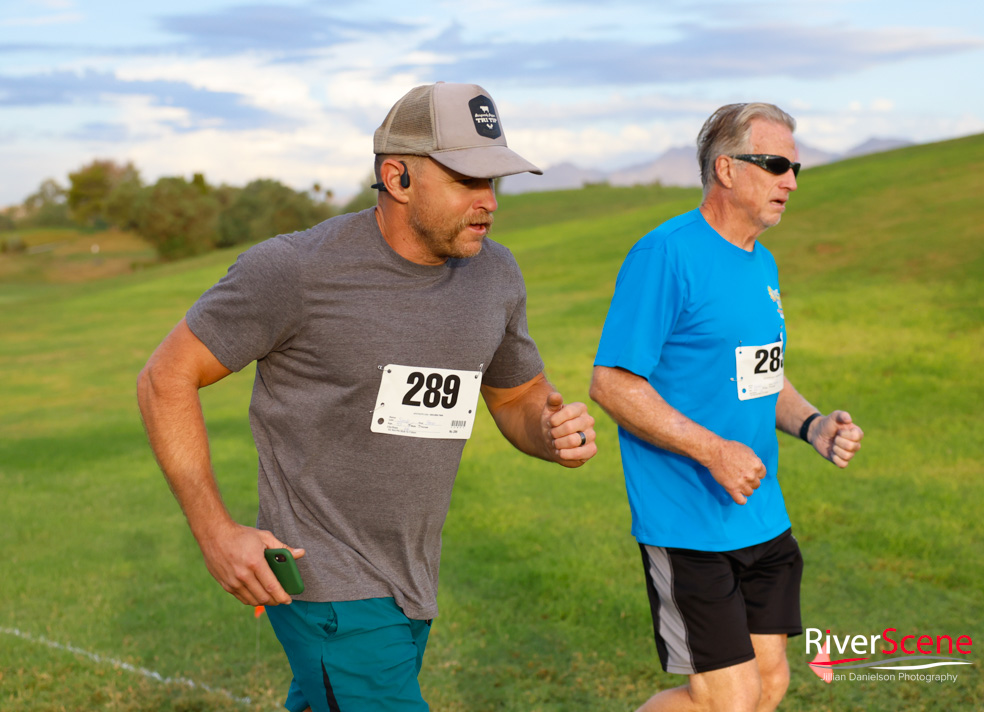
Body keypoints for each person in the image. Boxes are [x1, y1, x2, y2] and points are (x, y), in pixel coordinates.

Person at [137, 81, 597, 712]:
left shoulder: (494, 274)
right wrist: (216, 532)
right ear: (397, 178)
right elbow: (165, 378)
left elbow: (517, 396)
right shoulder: (294, 271)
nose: (488, 201)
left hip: (409, 579)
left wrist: (550, 433)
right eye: (467, 180)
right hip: (326, 580)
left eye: (496, 181)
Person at [589, 103, 863, 712]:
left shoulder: (760, 262)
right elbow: (611, 384)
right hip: (687, 519)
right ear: (727, 169)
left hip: (761, 513)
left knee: (770, 685)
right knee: (724, 702)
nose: (791, 180)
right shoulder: (666, 254)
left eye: (795, 167)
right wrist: (713, 451)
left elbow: (761, 376)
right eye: (774, 164)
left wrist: (813, 424)